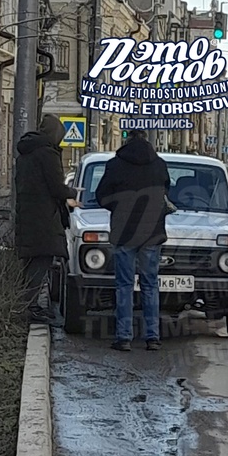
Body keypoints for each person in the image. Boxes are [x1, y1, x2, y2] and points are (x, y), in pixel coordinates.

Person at [96, 129, 170, 352]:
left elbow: (102, 196)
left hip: (124, 232)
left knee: (124, 285)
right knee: (150, 285)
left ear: (127, 140)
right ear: (147, 140)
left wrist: (119, 208)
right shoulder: (159, 164)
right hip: (152, 232)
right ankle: (152, 337)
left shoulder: (115, 165)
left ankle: (124, 337)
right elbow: (165, 192)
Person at [15, 114, 80, 325]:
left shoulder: (26, 153)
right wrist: (73, 193)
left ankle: (26, 303)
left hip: (28, 213)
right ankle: (30, 306)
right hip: (44, 217)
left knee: (32, 261)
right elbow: (56, 187)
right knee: (41, 260)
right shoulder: (47, 154)